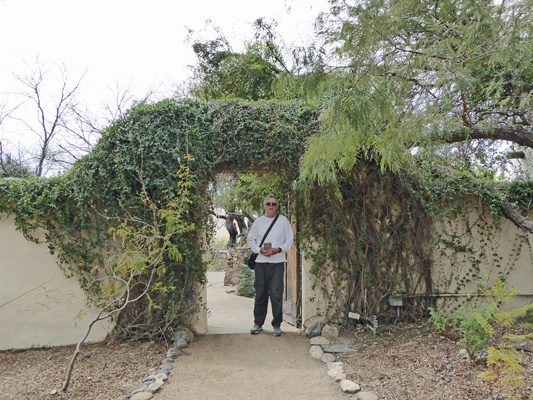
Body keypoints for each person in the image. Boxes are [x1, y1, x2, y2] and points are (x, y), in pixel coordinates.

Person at [247, 194, 294, 336]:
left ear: (277, 206)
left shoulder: (283, 221)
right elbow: (250, 239)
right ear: (264, 206)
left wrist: (278, 250)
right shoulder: (259, 221)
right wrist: (259, 250)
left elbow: (289, 240)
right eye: (268, 204)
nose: (271, 206)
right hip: (261, 262)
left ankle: (277, 324)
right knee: (260, 293)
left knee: (276, 293)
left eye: (274, 204)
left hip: (277, 262)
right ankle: (258, 323)